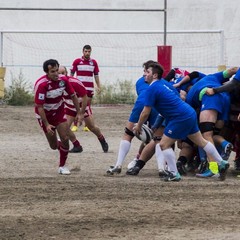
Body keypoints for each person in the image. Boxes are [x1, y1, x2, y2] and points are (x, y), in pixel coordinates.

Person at [134, 62, 230, 181]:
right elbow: (178, 97)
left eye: (147, 72)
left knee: (164, 144)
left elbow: (145, 112)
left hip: (179, 117)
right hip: (189, 113)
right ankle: (221, 162)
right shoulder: (164, 84)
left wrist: (138, 126)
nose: (144, 74)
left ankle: (174, 174)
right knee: (201, 141)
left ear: (154, 75)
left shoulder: (151, 88)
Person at [106, 60, 159, 175]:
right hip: (157, 105)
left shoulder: (140, 81)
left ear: (146, 71)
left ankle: (118, 164)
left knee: (128, 134)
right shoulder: (161, 82)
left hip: (142, 103)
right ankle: (163, 168)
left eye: (145, 70)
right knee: (157, 139)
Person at [34, 59, 84, 175]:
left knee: (65, 138)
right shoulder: (41, 84)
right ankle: (59, 146)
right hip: (44, 115)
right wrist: (47, 125)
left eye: (57, 70)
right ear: (47, 72)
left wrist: (79, 113)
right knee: (53, 146)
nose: (56, 73)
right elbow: (40, 107)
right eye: (53, 71)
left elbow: (73, 95)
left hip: (59, 112)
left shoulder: (63, 80)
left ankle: (62, 166)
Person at [186, 67, 238, 177]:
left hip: (210, 97)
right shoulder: (214, 77)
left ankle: (214, 169)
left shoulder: (190, 96)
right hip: (226, 99)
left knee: (206, 135)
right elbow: (233, 69)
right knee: (215, 134)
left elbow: (189, 116)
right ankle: (224, 145)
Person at [59, 66, 109, 153]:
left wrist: (81, 113)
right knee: (64, 127)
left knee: (91, 127)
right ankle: (77, 145)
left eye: (63, 73)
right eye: (59, 73)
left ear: (66, 73)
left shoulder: (75, 83)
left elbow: (85, 97)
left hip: (82, 105)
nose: (60, 75)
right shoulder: (55, 84)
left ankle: (102, 139)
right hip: (69, 107)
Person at [70, 44, 101, 132]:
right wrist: (70, 85)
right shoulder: (77, 61)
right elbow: (71, 75)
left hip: (89, 88)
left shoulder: (94, 62)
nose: (87, 53)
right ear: (83, 52)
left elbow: (96, 75)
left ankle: (86, 125)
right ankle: (75, 125)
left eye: (89, 51)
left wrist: (98, 86)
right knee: (77, 106)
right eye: (86, 51)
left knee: (87, 107)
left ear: (91, 52)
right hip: (79, 88)